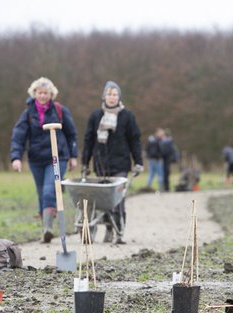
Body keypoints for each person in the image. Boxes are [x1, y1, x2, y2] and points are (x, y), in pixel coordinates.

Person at [10, 77, 78, 243]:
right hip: (36, 159)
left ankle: (48, 228)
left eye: (46, 93)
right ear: (34, 93)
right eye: (39, 92)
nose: (42, 95)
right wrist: (16, 157)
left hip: (58, 157)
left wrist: (73, 155)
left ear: (51, 94)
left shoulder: (60, 110)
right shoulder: (28, 113)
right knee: (42, 193)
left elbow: (71, 134)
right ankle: (44, 230)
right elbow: (18, 137)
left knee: (50, 190)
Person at [81, 81, 144, 244]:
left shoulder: (127, 116)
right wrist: (84, 163)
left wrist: (138, 162)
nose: (111, 97)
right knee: (101, 199)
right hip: (100, 163)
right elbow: (88, 140)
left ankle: (119, 231)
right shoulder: (96, 116)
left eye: (115, 94)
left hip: (120, 164)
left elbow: (135, 140)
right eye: (109, 94)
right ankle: (108, 227)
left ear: (119, 97)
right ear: (104, 96)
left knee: (117, 199)